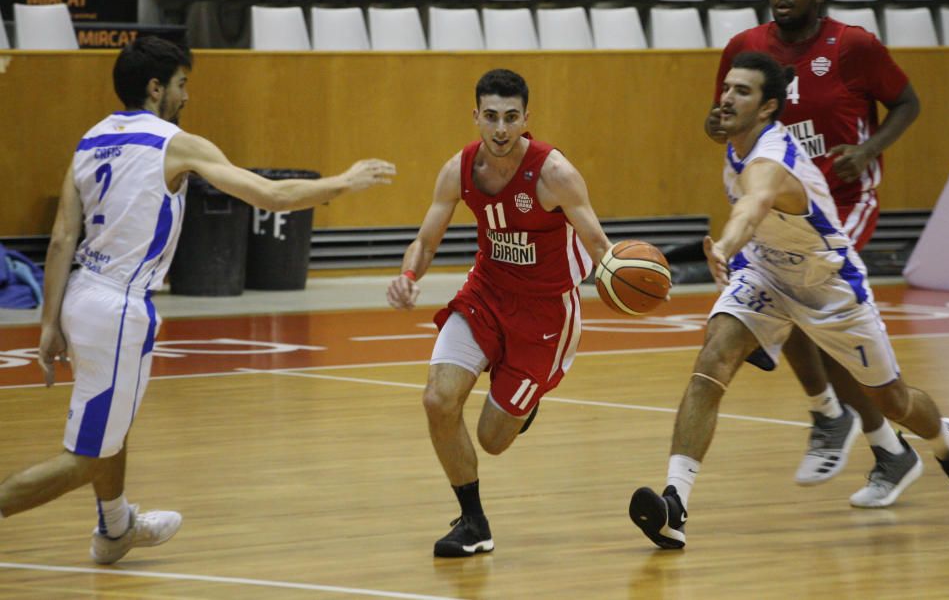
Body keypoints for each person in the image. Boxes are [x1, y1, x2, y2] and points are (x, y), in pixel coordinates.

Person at [0, 36, 396, 564]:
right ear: (156, 86)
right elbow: (269, 194)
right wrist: (344, 182)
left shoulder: (89, 141)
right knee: (85, 458)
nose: (186, 96)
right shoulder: (174, 143)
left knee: (110, 423)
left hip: (79, 295)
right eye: (182, 84)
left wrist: (48, 323)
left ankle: (115, 528)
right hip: (119, 306)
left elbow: (59, 240)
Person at [630, 52, 949, 550]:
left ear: (768, 108)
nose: (727, 96)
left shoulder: (771, 161)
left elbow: (753, 205)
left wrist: (724, 248)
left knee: (894, 400)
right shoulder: (739, 139)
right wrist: (739, 256)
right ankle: (675, 502)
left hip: (829, 284)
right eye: (727, 87)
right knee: (712, 359)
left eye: (742, 91)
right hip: (765, 271)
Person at [704, 0, 923, 507]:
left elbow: (907, 101)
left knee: (802, 297)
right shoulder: (746, 48)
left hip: (845, 195)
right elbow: (725, 120)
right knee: (789, 295)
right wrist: (715, 124)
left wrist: (870, 148)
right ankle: (838, 417)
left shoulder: (853, 45)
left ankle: (849, 423)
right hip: (778, 200)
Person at [386, 69, 613, 557]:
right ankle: (473, 522)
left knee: (492, 439)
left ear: (527, 119)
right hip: (485, 296)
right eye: (491, 117)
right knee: (438, 401)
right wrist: (408, 276)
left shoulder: (556, 173)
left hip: (546, 314)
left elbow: (599, 244)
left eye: (511, 118)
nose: (501, 129)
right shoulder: (459, 169)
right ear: (476, 117)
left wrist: (625, 280)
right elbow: (426, 240)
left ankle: (521, 403)